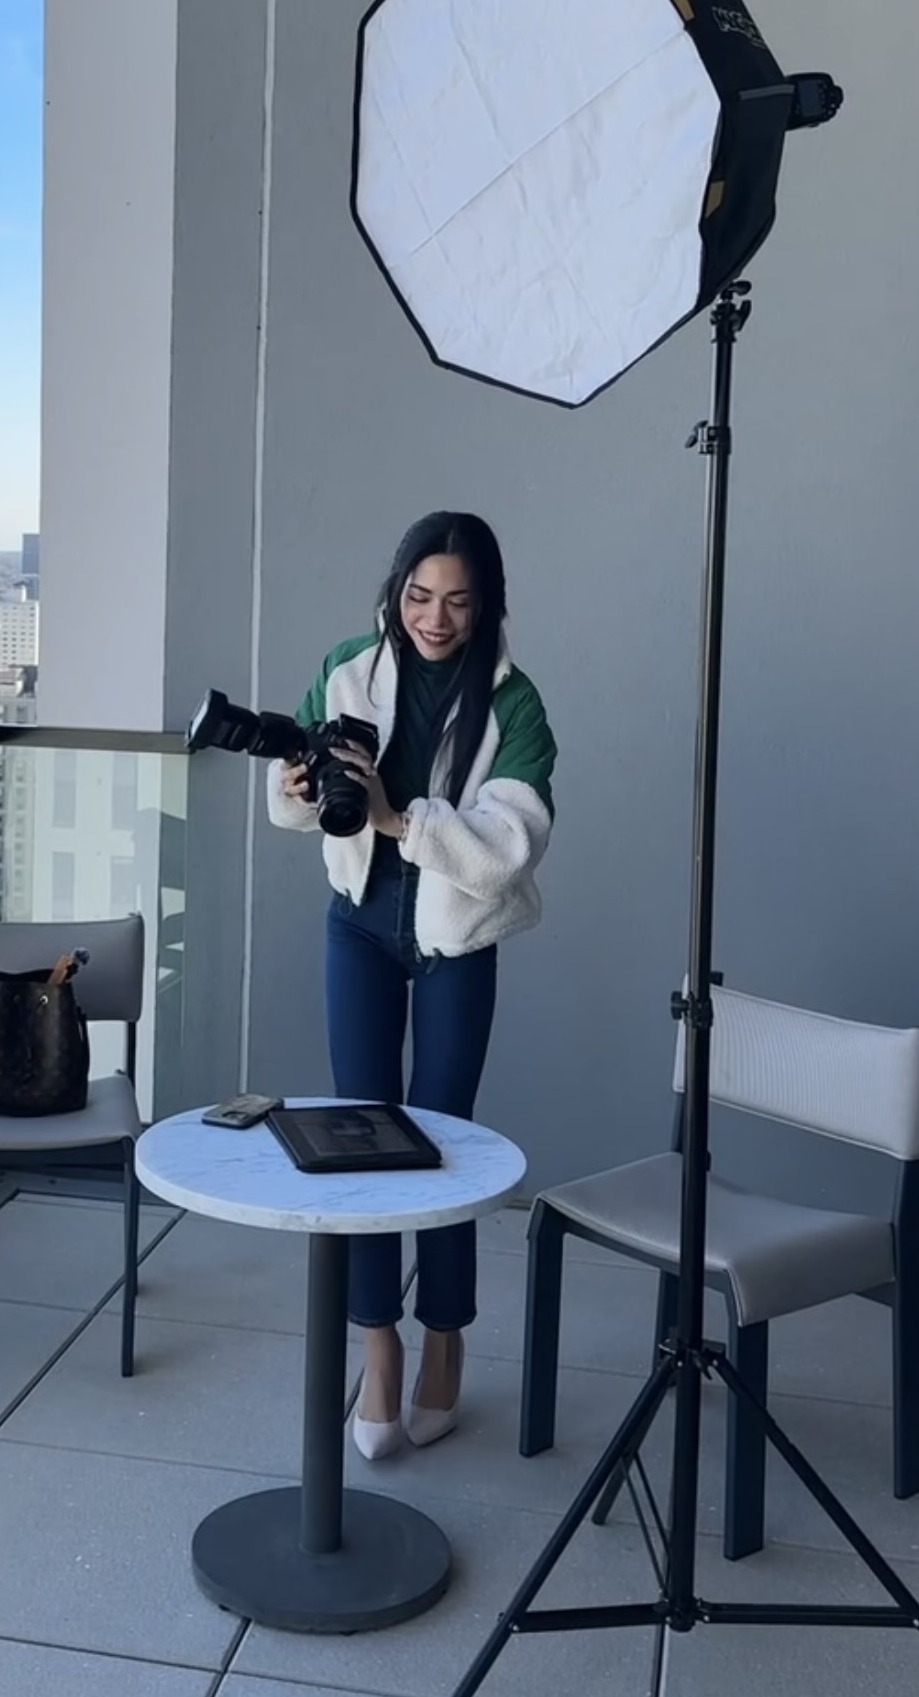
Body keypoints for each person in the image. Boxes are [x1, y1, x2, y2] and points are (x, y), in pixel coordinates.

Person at [267, 511, 556, 1459]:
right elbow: (287, 801)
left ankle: (445, 1343)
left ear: (488, 608)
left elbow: (506, 854)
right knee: (359, 1135)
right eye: (420, 595)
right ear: (395, 591)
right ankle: (379, 1348)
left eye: (459, 602)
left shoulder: (517, 709)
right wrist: (303, 789)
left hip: (456, 944)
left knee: (447, 1145)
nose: (435, 617)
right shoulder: (350, 667)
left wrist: (397, 818)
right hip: (356, 928)